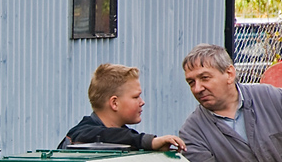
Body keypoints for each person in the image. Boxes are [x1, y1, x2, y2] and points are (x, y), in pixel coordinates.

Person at [58, 63, 186, 152]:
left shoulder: (126, 137)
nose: (142, 102)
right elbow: (105, 136)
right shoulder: (81, 135)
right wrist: (148, 142)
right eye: (136, 97)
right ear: (114, 103)